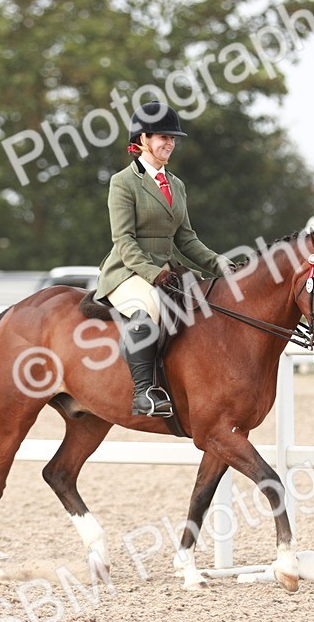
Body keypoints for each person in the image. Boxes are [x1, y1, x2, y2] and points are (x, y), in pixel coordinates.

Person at [94, 101, 224, 418]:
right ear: (142, 140)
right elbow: (123, 240)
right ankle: (143, 394)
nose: (169, 143)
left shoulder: (176, 185)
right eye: (162, 137)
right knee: (150, 306)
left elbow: (186, 239)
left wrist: (220, 265)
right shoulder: (122, 182)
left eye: (172, 137)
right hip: (126, 272)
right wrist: (153, 274)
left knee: (202, 305)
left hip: (164, 271)